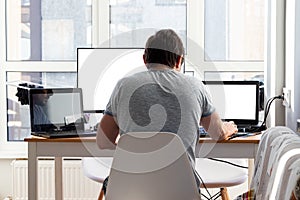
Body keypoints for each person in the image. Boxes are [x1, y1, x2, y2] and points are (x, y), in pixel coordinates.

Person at [96, 29, 238, 189]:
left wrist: (132, 153)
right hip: (181, 192)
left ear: (145, 59)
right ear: (179, 60)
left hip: (130, 191)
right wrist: (229, 128)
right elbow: (218, 134)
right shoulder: (196, 87)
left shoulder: (123, 86)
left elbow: (103, 141)